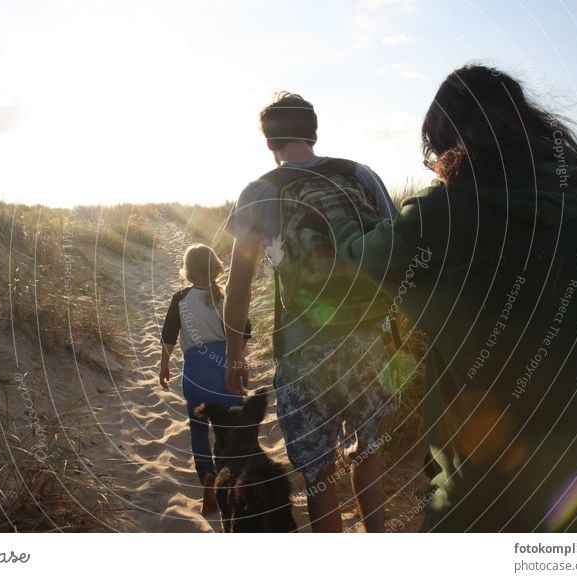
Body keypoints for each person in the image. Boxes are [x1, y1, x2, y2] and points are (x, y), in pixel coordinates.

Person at [328, 64, 577, 532]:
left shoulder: (446, 213)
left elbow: (366, 258)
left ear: (450, 147)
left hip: (497, 489)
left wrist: (344, 221)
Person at [222, 92, 400, 532]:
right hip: (367, 341)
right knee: (368, 451)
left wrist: (234, 355)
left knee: (320, 479)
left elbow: (238, 283)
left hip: (304, 354)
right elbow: (397, 252)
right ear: (313, 132)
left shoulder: (259, 191)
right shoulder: (360, 175)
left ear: (269, 144)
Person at [159, 244, 251, 514]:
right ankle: (225, 481)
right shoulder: (228, 298)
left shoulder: (180, 299)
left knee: (198, 429)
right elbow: (244, 333)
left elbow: (168, 336)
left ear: (188, 270)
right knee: (227, 432)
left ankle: (207, 476)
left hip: (196, 373)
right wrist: (236, 357)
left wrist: (164, 366)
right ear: (215, 267)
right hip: (224, 369)